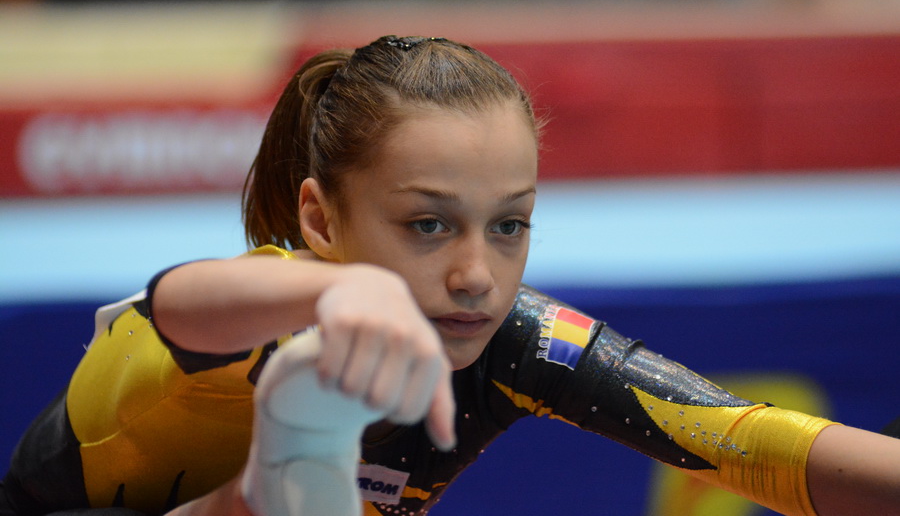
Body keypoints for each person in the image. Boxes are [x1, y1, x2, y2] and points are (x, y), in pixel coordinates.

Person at [3, 35, 899, 516]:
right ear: (321, 221)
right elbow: (176, 306)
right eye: (427, 225)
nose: (476, 274)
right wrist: (331, 291)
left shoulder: (512, 344)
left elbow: (749, 442)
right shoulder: (270, 305)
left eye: (509, 225)